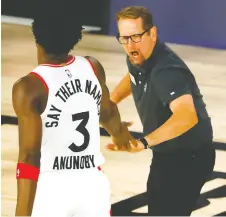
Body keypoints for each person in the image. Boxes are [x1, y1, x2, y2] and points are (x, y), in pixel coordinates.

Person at [12, 8, 135, 217]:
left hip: (52, 189)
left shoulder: (29, 87)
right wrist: (119, 133)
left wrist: (22, 214)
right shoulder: (92, 67)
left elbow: (30, 156)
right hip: (92, 186)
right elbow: (108, 111)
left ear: (36, 37)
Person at [107, 6, 216, 216]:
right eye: (124, 38)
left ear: (152, 33)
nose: (130, 45)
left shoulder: (166, 70)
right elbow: (133, 76)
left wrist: (143, 142)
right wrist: (111, 101)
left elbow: (187, 115)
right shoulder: (138, 56)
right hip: (166, 153)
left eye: (136, 37)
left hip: (189, 157)